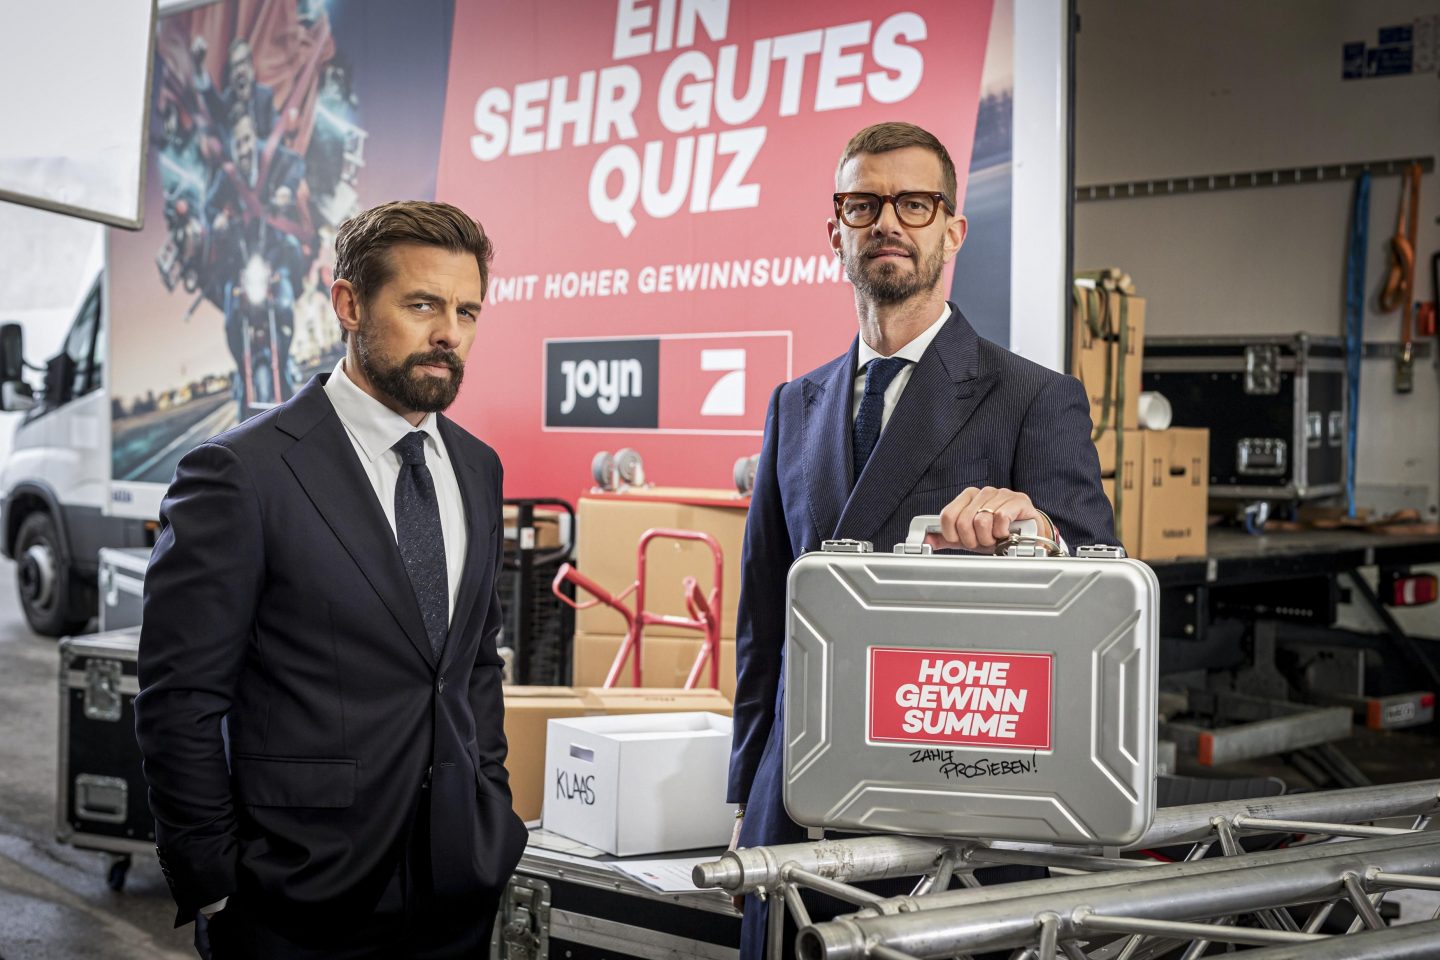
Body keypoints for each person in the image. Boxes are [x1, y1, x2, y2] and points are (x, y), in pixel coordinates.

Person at [726, 122, 1116, 957]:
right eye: (863, 205)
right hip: (794, 809)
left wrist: (1037, 531)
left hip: (951, 815)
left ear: (953, 230)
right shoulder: (794, 405)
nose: (887, 224)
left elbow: (1098, 583)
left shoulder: (1033, 398)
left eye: (914, 204)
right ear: (835, 229)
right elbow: (763, 624)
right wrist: (744, 800)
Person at [135, 200, 526, 959]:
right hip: (293, 896)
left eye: (467, 311)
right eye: (422, 305)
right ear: (348, 305)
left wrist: (490, 804)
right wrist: (211, 880)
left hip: (457, 886)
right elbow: (180, 699)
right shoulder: (240, 473)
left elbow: (474, 663)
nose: (449, 333)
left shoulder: (478, 468)